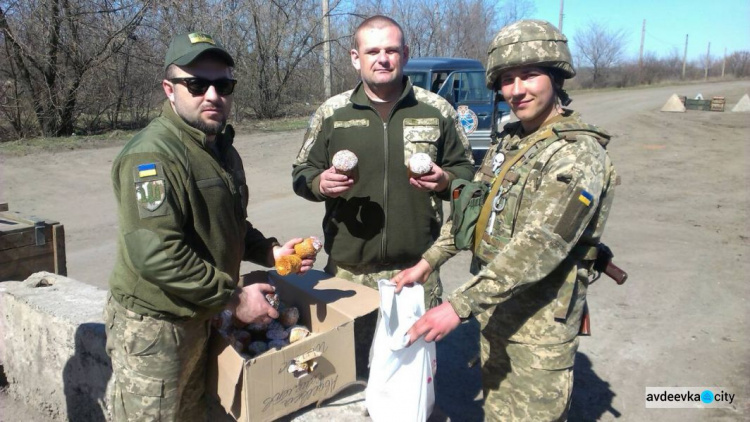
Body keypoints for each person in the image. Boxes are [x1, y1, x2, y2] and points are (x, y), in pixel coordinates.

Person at [394, 20, 618, 421]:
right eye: (507, 80)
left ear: (555, 77)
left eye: (529, 76)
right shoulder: (510, 142)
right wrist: (428, 262)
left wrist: (457, 306)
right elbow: (472, 211)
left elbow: (541, 244)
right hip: (496, 314)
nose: (517, 90)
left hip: (538, 330)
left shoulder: (577, 155)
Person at [104, 32, 314, 421]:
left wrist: (268, 251)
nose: (213, 95)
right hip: (157, 328)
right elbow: (157, 255)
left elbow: (229, 221)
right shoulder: (153, 155)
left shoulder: (218, 147)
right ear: (170, 89)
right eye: (197, 84)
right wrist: (235, 298)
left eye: (223, 84)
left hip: (202, 315)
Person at [292, 15, 475, 377]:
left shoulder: (436, 110)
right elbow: (301, 174)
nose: (383, 58)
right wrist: (319, 184)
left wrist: (444, 181)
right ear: (354, 57)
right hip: (348, 272)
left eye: (391, 50)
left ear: (405, 54)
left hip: (417, 269)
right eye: (372, 50)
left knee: (412, 375)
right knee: (347, 373)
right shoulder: (333, 113)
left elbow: (468, 173)